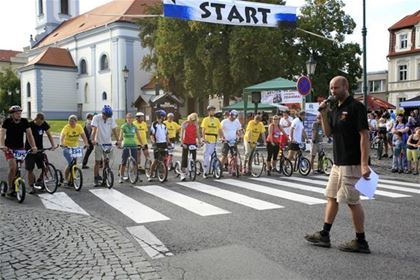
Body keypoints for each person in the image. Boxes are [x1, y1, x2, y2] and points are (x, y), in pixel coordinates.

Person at [304, 76, 371, 254]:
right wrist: (324, 114)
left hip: (352, 162)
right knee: (331, 197)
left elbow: (364, 136)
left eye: (336, 87)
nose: (333, 91)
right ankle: (324, 234)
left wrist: (364, 164)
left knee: (351, 201)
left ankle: (361, 241)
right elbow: (329, 133)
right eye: (331, 88)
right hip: (338, 162)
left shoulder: (356, 107)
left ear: (346, 87)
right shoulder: (334, 109)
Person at [0, 106, 37, 196]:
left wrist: (33, 146)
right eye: (17, 113)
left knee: (18, 167)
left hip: (20, 148)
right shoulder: (7, 122)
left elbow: (29, 135)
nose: (19, 115)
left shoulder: (24, 121)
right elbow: (2, 134)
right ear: (12, 114)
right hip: (9, 148)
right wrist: (2, 145)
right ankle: (10, 187)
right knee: (13, 167)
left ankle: (16, 181)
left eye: (20, 113)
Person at [25, 113, 56, 194]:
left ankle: (39, 180)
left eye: (42, 122)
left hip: (40, 149)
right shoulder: (29, 125)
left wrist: (53, 145)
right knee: (30, 169)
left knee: (45, 166)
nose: (40, 124)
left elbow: (49, 134)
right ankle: (31, 186)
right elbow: (27, 135)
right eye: (39, 122)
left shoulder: (43, 124)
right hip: (30, 150)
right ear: (36, 119)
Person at [91, 105, 119, 186]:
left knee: (107, 161)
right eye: (105, 116)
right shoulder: (96, 118)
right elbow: (94, 129)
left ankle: (104, 178)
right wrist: (93, 139)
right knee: (97, 161)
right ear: (102, 113)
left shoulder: (111, 119)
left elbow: (114, 130)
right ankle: (96, 178)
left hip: (108, 143)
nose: (106, 118)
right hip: (99, 142)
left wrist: (118, 140)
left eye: (108, 116)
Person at [60, 115, 89, 184]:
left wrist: (86, 143)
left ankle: (71, 180)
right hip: (67, 147)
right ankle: (66, 179)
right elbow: (62, 136)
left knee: (75, 163)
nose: (71, 123)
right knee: (70, 164)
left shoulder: (79, 127)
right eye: (70, 121)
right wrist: (61, 143)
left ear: (76, 121)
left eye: (73, 121)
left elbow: (83, 136)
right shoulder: (67, 127)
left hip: (75, 147)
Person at [118, 113, 143, 183]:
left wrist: (142, 144)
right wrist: (119, 143)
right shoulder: (123, 126)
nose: (129, 119)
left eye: (131, 118)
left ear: (132, 119)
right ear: (126, 118)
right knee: (124, 162)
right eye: (128, 118)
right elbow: (120, 136)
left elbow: (139, 136)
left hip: (133, 145)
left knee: (135, 162)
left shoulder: (134, 127)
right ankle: (121, 176)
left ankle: (136, 175)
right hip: (126, 145)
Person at [201, 105, 222, 178]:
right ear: (208, 111)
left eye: (213, 110)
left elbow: (219, 130)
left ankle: (214, 170)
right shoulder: (205, 119)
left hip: (215, 139)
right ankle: (205, 171)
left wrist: (222, 137)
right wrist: (204, 138)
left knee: (214, 156)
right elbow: (203, 130)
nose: (212, 112)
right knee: (206, 156)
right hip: (208, 140)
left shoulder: (217, 120)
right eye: (211, 110)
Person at [179, 113, 201, 181]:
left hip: (193, 142)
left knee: (194, 157)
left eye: (195, 120)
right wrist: (182, 143)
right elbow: (182, 134)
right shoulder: (185, 123)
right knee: (184, 158)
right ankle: (183, 173)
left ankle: (192, 169)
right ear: (190, 118)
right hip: (186, 142)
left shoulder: (196, 124)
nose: (193, 121)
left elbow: (197, 134)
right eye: (193, 120)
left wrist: (200, 142)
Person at [149, 110, 169, 182]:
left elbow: (166, 135)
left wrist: (168, 142)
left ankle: (163, 173)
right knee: (156, 159)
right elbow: (151, 135)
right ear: (159, 117)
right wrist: (154, 142)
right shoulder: (154, 124)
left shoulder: (164, 125)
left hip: (163, 143)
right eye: (163, 116)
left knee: (164, 159)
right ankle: (150, 175)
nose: (164, 117)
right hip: (157, 143)